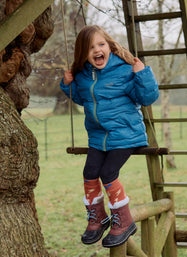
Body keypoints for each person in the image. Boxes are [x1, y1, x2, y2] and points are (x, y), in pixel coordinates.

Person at [60, 25, 159, 248]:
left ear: (110, 46)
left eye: (101, 44)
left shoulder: (125, 70)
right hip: (98, 137)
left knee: (108, 172)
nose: (97, 50)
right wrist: (67, 85)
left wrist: (141, 73)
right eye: (91, 47)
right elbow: (80, 97)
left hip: (125, 134)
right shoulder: (84, 76)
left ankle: (124, 220)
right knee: (89, 172)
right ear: (83, 53)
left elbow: (146, 97)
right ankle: (98, 217)